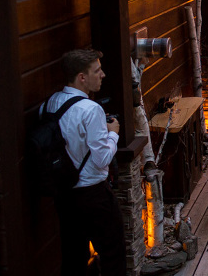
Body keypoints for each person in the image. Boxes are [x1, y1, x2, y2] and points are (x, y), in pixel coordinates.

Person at [46, 49, 126, 276]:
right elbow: (102, 159)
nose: (103, 75)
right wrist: (113, 133)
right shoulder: (91, 110)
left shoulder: (52, 104)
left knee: (73, 259)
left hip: (64, 195)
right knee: (113, 255)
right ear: (82, 77)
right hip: (94, 195)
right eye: (97, 71)